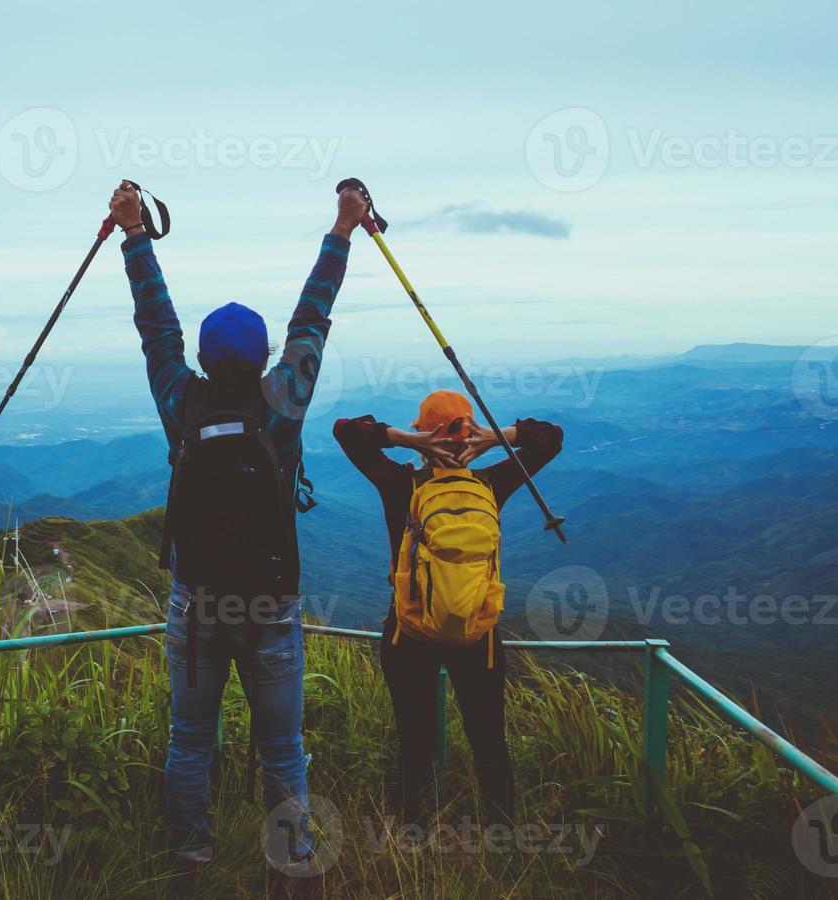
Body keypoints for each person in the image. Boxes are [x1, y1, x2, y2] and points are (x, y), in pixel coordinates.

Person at [110, 179, 364, 882]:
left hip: (195, 601)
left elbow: (154, 323)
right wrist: (342, 228)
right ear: (260, 357)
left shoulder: (179, 400)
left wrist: (135, 233)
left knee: (190, 738)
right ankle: (293, 868)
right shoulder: (283, 401)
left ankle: (190, 863)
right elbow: (314, 317)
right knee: (283, 748)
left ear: (203, 354)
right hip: (270, 602)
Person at [333, 390, 563, 827]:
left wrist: (404, 439)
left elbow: (346, 431)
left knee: (414, 741)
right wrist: (501, 436)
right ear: (470, 432)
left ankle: (412, 832)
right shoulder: (492, 483)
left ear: (423, 431)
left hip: (409, 633)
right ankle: (502, 834)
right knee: (490, 740)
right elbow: (551, 439)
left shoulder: (400, 483)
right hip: (478, 635)